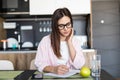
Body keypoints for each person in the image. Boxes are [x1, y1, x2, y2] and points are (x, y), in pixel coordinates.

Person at [35, 7, 85, 75]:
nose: (66, 29)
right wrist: (53, 69)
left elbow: (79, 65)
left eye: (68, 24)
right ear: (55, 27)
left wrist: (69, 42)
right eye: (61, 26)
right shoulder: (45, 41)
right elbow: (38, 63)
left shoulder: (75, 41)